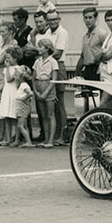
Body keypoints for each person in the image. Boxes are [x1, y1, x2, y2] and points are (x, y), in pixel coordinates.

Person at [46, 11, 69, 144]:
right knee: (51, 101)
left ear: (59, 19)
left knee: (60, 102)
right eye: (50, 20)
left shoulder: (62, 32)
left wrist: (44, 59)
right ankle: (53, 134)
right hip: (48, 66)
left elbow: (58, 53)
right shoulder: (48, 32)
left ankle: (62, 134)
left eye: (55, 19)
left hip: (58, 66)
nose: (53, 22)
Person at [32, 38, 58, 148]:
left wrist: (46, 92)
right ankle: (46, 139)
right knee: (43, 116)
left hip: (48, 86)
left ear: (47, 48)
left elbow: (54, 79)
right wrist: (35, 91)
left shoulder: (52, 61)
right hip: (39, 84)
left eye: (40, 46)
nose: (38, 48)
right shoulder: (37, 61)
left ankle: (51, 140)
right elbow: (33, 78)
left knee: (50, 114)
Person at [0, 52, 21, 146]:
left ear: (15, 58)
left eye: (9, 58)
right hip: (6, 92)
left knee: (14, 117)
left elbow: (9, 79)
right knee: (6, 116)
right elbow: (4, 82)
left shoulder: (18, 68)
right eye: (6, 58)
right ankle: (8, 138)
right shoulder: (6, 69)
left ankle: (16, 139)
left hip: (13, 92)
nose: (7, 60)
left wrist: (8, 67)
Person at [77, 7, 108, 81]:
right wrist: (77, 71)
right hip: (87, 70)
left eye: (90, 18)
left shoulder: (101, 34)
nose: (88, 20)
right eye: (85, 18)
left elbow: (107, 53)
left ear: (95, 18)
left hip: (98, 69)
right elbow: (83, 56)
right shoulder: (85, 36)